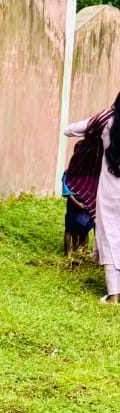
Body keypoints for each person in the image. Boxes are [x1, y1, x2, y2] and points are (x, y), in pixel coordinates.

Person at [65, 92, 120, 303]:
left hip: (110, 193)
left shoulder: (106, 120)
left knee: (110, 238)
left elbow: (69, 130)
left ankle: (114, 296)